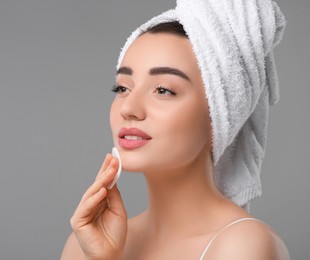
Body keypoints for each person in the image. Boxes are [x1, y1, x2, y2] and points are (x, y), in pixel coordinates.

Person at [61, 0, 290, 259]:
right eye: (123, 88)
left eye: (163, 90)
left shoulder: (244, 246)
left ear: (219, 113)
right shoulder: (86, 244)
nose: (129, 108)